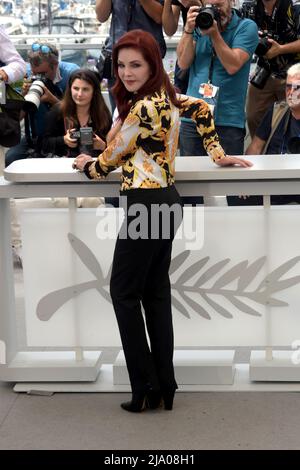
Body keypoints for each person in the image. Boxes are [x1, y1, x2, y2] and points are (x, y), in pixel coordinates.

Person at [73, 29, 252, 412]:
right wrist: (217, 154)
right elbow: (202, 110)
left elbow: (108, 162)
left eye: (135, 64)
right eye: (120, 66)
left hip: (145, 204)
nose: (126, 73)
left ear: (154, 63)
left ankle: (144, 388)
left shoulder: (141, 109)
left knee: (124, 293)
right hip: (168, 203)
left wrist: (87, 162)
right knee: (154, 295)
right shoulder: (167, 99)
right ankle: (164, 385)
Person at [177, 0, 258, 158]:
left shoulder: (246, 27)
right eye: (211, 6)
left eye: (219, 5)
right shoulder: (199, 25)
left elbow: (233, 65)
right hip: (192, 118)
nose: (215, 11)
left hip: (227, 121)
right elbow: (183, 63)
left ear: (231, 2)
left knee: (226, 179)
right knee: (191, 177)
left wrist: (214, 34)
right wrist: (187, 30)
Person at [5, 42, 79, 166]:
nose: (38, 78)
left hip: (65, 134)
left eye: (43, 74)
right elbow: (16, 118)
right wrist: (23, 97)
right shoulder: (26, 74)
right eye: (35, 73)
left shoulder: (72, 74)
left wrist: (52, 100)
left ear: (55, 65)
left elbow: (79, 114)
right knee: (11, 159)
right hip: (36, 135)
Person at [240, 62, 300, 205]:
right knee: (237, 195)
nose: (291, 93)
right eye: (288, 87)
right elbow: (255, 147)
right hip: (275, 180)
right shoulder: (277, 110)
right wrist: (245, 178)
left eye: (297, 88)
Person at [243, 0, 300, 138]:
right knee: (253, 116)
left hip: (294, 73)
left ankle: (288, 153)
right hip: (264, 71)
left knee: (294, 121)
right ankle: (263, 151)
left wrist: (280, 49)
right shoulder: (249, 7)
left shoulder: (295, 7)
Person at [95, 0, 166, 109]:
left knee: (150, 110)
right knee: (119, 113)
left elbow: (160, 17)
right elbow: (101, 16)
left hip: (146, 59)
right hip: (119, 59)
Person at [42, 69, 112, 158]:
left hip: (94, 167)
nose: (79, 94)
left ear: (94, 92)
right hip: (63, 167)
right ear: (70, 89)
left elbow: (116, 148)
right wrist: (63, 140)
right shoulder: (57, 111)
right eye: (76, 88)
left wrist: (103, 146)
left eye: (85, 89)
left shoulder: (103, 114)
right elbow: (43, 144)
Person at [162, 0, 202, 93]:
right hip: (187, 46)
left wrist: (196, 3)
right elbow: (169, 30)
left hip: (210, 46)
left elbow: (218, 12)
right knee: (182, 100)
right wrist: (168, 2)